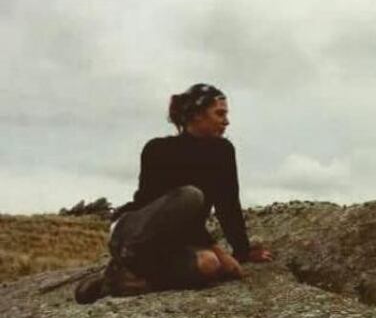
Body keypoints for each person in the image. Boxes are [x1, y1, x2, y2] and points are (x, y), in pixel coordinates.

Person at [75, 83, 272, 304]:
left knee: (210, 265)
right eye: (220, 113)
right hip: (134, 233)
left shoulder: (223, 151)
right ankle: (128, 261)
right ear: (197, 115)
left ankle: (121, 282)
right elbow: (157, 208)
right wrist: (219, 249)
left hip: (173, 242)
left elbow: (228, 204)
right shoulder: (158, 150)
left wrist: (242, 251)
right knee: (190, 197)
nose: (226, 121)